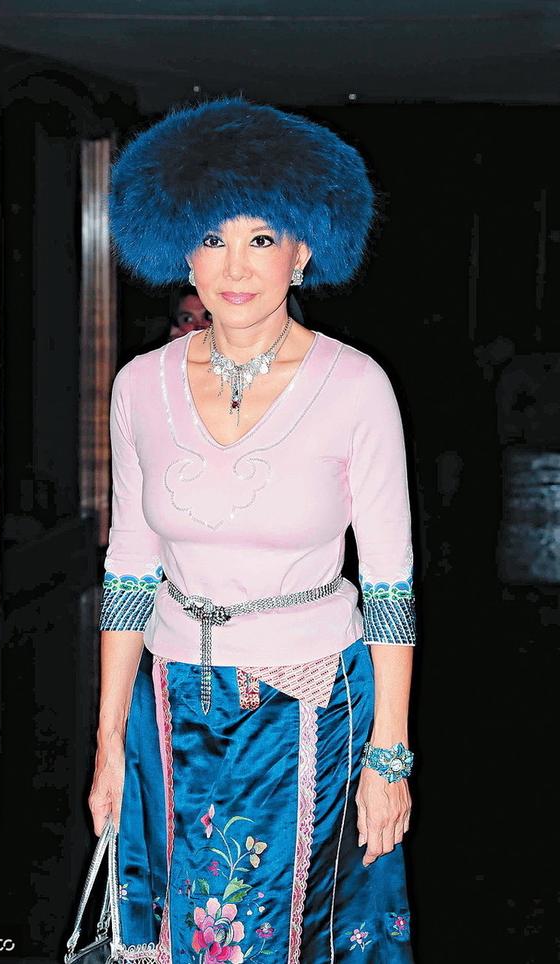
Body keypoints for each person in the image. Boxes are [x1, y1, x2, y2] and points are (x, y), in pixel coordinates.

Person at [89, 97, 417, 963]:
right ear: (182, 250)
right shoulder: (138, 386)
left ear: (303, 251)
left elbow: (390, 584)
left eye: (262, 238)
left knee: (291, 933)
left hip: (310, 709)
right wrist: (108, 739)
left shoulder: (356, 386)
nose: (236, 267)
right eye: (212, 237)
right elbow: (129, 567)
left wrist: (389, 756)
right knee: (177, 932)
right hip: (170, 707)